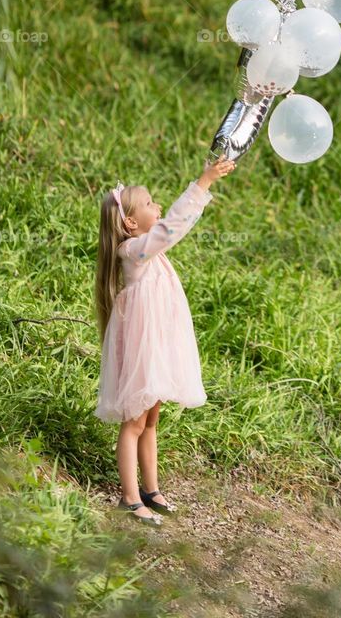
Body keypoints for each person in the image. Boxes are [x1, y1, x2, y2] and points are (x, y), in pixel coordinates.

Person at [94, 155, 237, 524]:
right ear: (129, 223)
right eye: (148, 203)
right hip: (145, 348)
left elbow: (167, 228)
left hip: (156, 346)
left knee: (151, 417)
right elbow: (171, 227)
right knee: (135, 421)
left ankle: (151, 488)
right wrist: (202, 183)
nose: (156, 205)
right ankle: (128, 497)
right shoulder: (134, 251)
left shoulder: (147, 251)